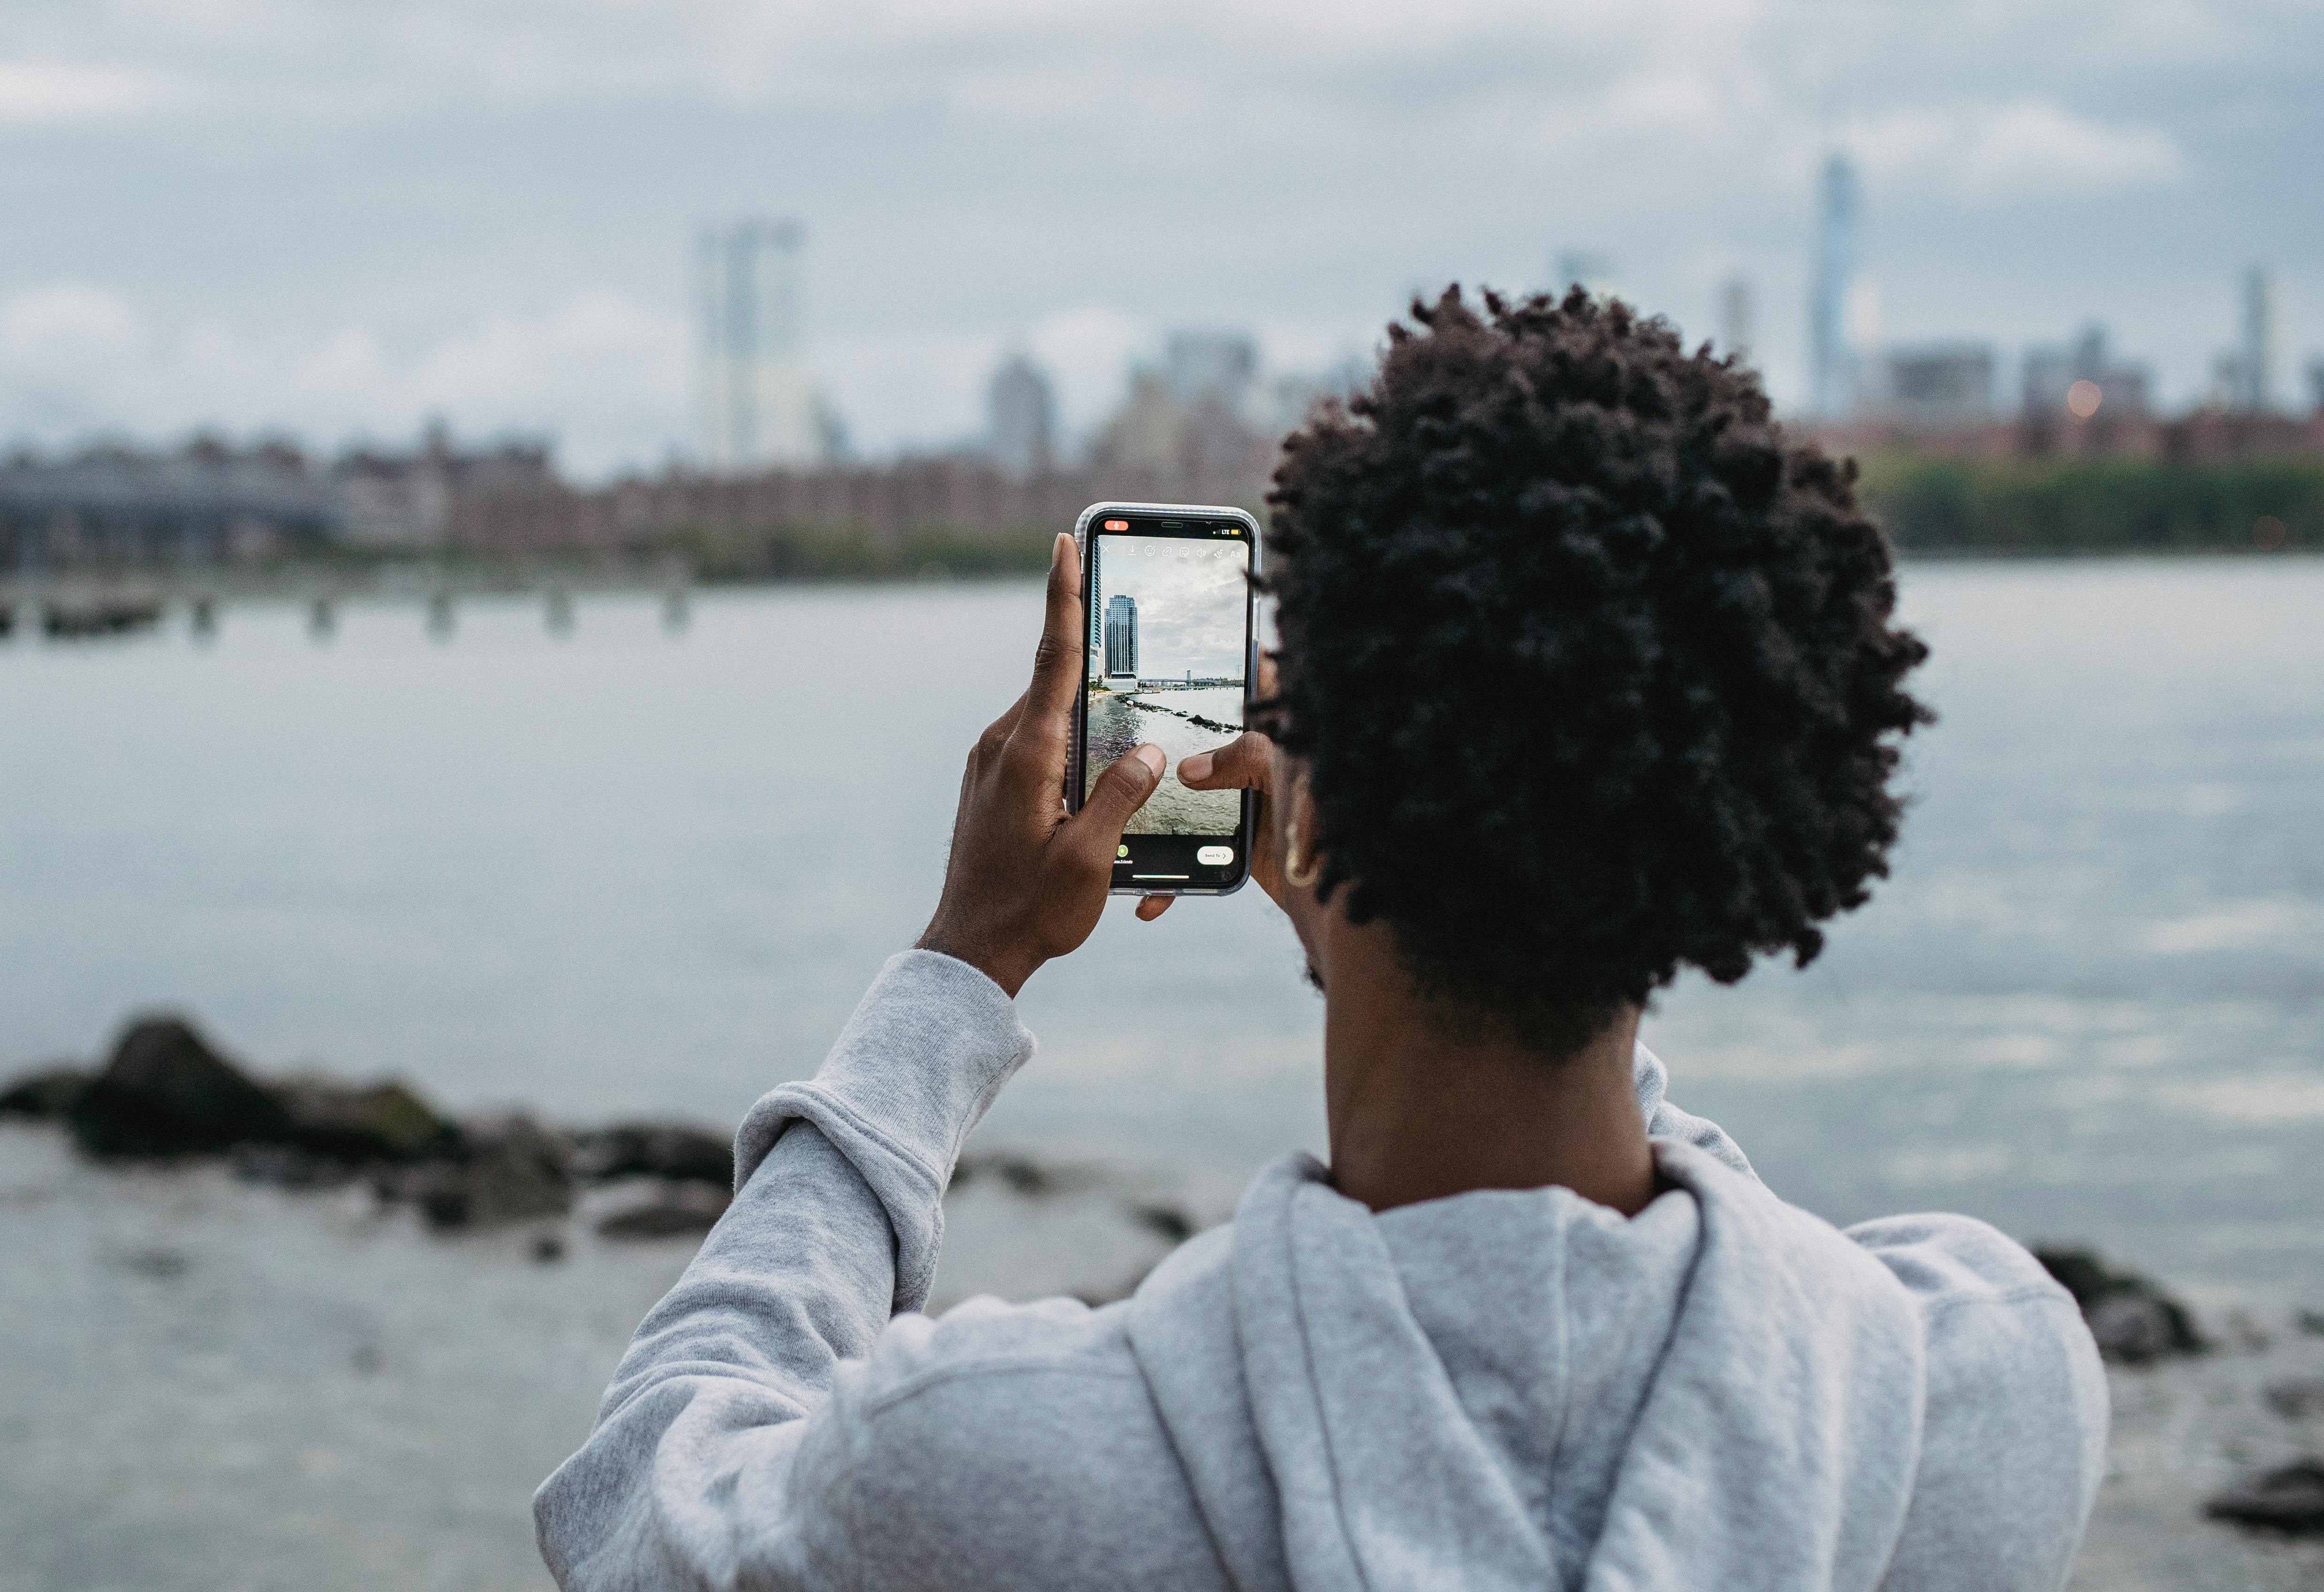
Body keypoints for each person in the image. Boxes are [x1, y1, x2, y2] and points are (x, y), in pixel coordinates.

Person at [534, 288, 2107, 1591]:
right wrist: (1473, 862)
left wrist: (960, 967)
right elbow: (1718, 1255)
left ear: (1310, 796)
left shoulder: (1004, 1463)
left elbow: (638, 1500)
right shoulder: (1982, 1393)